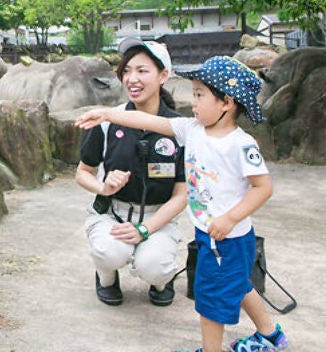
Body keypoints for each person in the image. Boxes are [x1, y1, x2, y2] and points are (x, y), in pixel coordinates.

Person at [75, 56, 289, 352]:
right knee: (239, 284)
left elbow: (263, 188)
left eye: (200, 95)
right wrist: (108, 114)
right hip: (210, 232)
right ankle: (270, 335)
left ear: (226, 103)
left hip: (227, 237)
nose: (194, 101)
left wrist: (230, 218)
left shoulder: (240, 144)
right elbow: (148, 120)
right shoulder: (193, 129)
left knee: (210, 299)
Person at [74, 38, 186, 307]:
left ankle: (161, 280)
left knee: (154, 265)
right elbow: (83, 173)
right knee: (109, 252)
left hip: (158, 217)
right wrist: (103, 187)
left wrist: (146, 229)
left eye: (142, 70)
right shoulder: (106, 121)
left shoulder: (179, 129)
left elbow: (182, 195)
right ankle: (106, 277)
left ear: (164, 75)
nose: (131, 78)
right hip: (113, 214)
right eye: (126, 71)